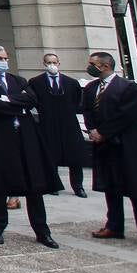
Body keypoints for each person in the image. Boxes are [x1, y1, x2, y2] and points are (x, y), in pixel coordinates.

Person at [0, 44, 60, 248]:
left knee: (34, 186)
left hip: (25, 140)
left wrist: (7, 100)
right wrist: (15, 104)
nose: (4, 61)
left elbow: (31, 99)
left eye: (5, 58)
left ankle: (42, 231)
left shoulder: (17, 80)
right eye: (0, 58)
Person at [84, 51, 137, 250]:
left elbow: (128, 115)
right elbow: (87, 111)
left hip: (128, 146)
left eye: (93, 64)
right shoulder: (92, 88)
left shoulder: (128, 88)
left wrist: (103, 132)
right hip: (106, 148)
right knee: (111, 187)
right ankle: (114, 226)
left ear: (105, 66)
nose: (90, 67)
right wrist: (92, 130)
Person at [29, 53, 88, 198]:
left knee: (74, 157)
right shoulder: (36, 82)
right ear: (44, 63)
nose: (52, 65)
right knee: (50, 155)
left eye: (54, 62)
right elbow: (33, 101)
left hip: (68, 123)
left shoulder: (71, 83)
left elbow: (77, 102)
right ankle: (53, 184)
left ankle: (78, 186)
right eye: (49, 62)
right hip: (48, 123)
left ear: (59, 63)